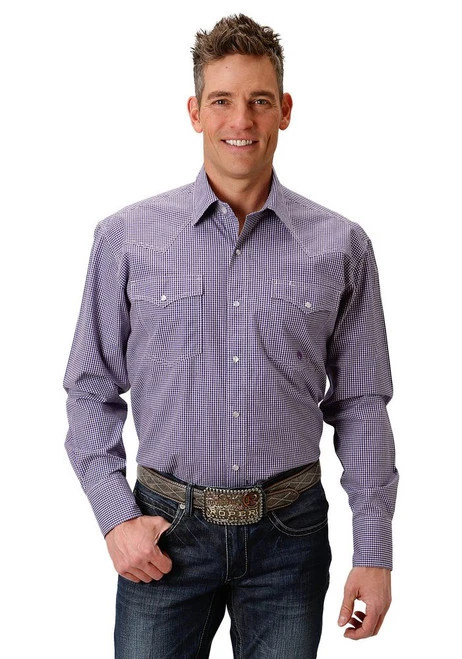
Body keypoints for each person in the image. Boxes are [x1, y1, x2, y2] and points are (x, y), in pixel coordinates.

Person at [64, 13, 398, 659]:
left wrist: (374, 550)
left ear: (285, 111)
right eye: (221, 100)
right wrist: (115, 518)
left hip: (290, 538)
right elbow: (90, 387)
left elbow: (362, 403)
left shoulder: (341, 245)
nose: (241, 120)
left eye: (259, 101)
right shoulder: (126, 238)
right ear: (195, 112)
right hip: (163, 534)